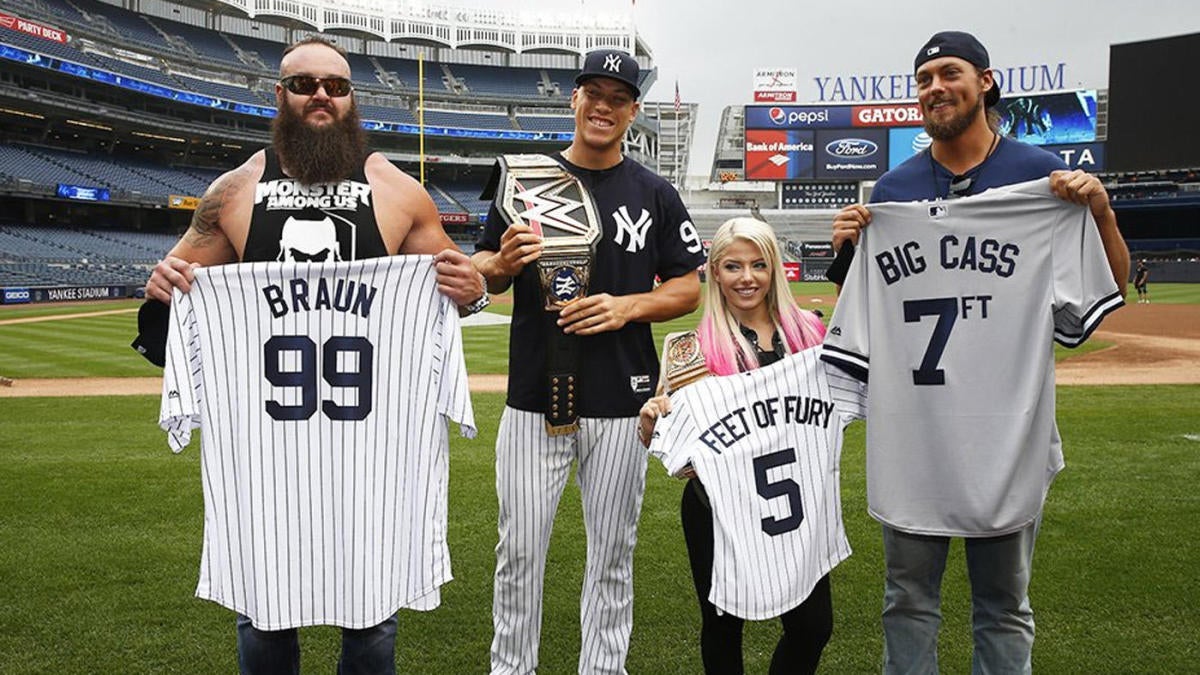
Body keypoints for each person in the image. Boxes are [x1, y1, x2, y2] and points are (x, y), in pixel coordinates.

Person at [143, 36, 486, 675]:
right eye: (304, 85)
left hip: (372, 450)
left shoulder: (399, 192)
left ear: (353, 98)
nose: (321, 95)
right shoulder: (235, 191)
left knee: (373, 618)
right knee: (264, 617)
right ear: (280, 96)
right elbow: (175, 305)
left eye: (336, 84)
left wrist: (476, 288)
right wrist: (162, 287)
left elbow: (455, 291)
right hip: (265, 452)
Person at [823, 31, 1129, 674]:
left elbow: (1106, 291)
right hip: (915, 441)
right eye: (925, 77)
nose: (936, 87)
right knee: (906, 599)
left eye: (950, 73)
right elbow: (862, 305)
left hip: (1004, 438)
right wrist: (850, 243)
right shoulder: (890, 191)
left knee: (1003, 603)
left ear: (985, 82)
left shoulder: (1041, 179)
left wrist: (1099, 211)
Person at [471, 49, 705, 674]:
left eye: (618, 97)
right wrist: (504, 261)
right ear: (573, 99)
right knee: (518, 550)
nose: (603, 106)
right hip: (532, 396)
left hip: (621, 400)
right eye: (592, 92)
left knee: (612, 554)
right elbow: (483, 278)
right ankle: (510, 668)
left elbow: (689, 285)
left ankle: (603, 669)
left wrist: (626, 307)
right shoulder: (522, 178)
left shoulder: (653, 191)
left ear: (632, 110)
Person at [637, 217, 844, 674]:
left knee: (812, 625)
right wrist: (651, 421)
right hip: (717, 509)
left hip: (798, 503)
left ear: (773, 270)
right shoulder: (688, 350)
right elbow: (675, 455)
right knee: (723, 625)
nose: (746, 278)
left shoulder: (811, 334)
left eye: (758, 265)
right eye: (732, 266)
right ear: (715, 273)